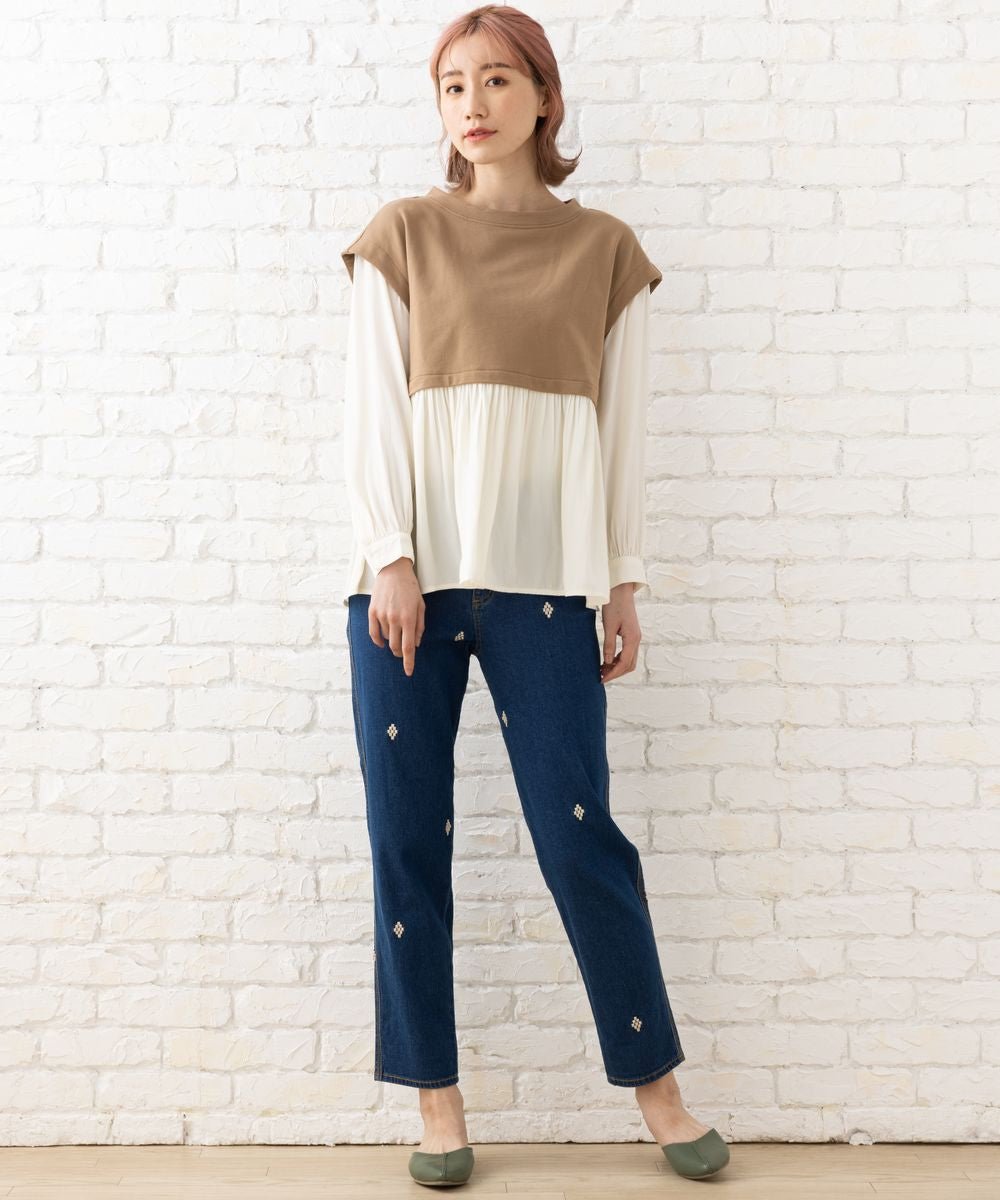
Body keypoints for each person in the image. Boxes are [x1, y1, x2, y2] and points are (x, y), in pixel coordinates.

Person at [340, 4, 731, 1187]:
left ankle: (657, 1092)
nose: (474, 103)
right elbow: (370, 406)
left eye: (498, 79)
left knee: (579, 833)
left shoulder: (604, 250)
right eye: (453, 84)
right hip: (409, 586)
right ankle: (436, 1104)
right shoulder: (403, 235)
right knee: (407, 840)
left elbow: (625, 429)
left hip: (550, 586)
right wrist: (389, 554)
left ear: (544, 98)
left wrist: (622, 577)